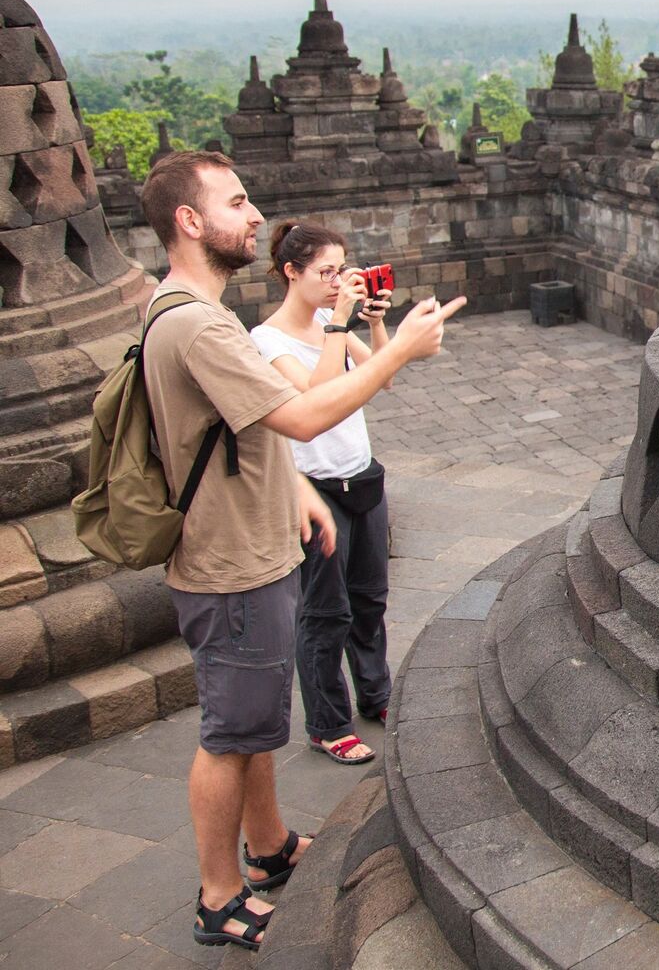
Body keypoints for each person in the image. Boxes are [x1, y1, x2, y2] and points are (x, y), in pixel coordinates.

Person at [136, 150, 465, 950]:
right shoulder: (199, 325)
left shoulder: (185, 312)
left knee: (254, 725)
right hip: (229, 563)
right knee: (230, 732)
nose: (254, 216)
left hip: (252, 544)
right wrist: (395, 347)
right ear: (189, 220)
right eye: (237, 201)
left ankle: (271, 845)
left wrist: (295, 489)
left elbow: (247, 435)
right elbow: (302, 417)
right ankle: (220, 897)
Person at [251, 222, 394, 767]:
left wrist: (376, 327)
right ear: (292, 273)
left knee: (369, 598)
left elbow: (382, 379)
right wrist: (339, 322)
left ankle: (376, 693)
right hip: (315, 488)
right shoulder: (266, 340)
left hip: (361, 475)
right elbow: (320, 395)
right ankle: (328, 722)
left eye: (342, 269)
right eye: (325, 272)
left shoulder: (327, 322)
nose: (338, 282)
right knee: (324, 611)